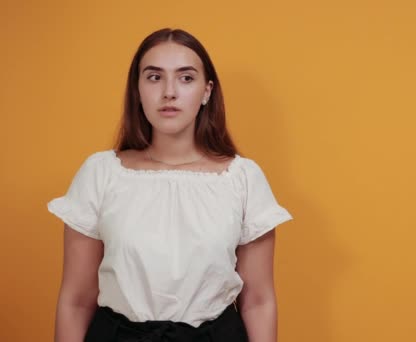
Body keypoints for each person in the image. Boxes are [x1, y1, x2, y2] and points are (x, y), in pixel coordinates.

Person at [47, 28, 293, 342]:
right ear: (137, 90)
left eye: (186, 78)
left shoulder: (243, 179)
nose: (169, 92)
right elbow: (76, 301)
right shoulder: (101, 173)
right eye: (154, 77)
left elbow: (258, 302)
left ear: (207, 91)